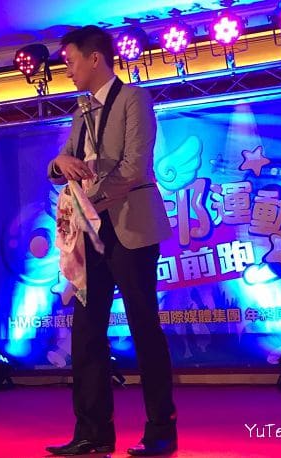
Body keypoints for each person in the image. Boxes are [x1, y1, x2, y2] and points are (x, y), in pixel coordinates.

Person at [46, 26, 178, 457]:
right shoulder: (80, 110)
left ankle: (161, 431)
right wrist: (59, 161)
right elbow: (63, 164)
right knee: (86, 332)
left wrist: (92, 200)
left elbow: (135, 168)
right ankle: (93, 433)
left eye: (70, 61)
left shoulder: (134, 99)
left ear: (95, 58)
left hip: (130, 227)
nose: (67, 70)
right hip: (90, 235)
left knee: (144, 327)